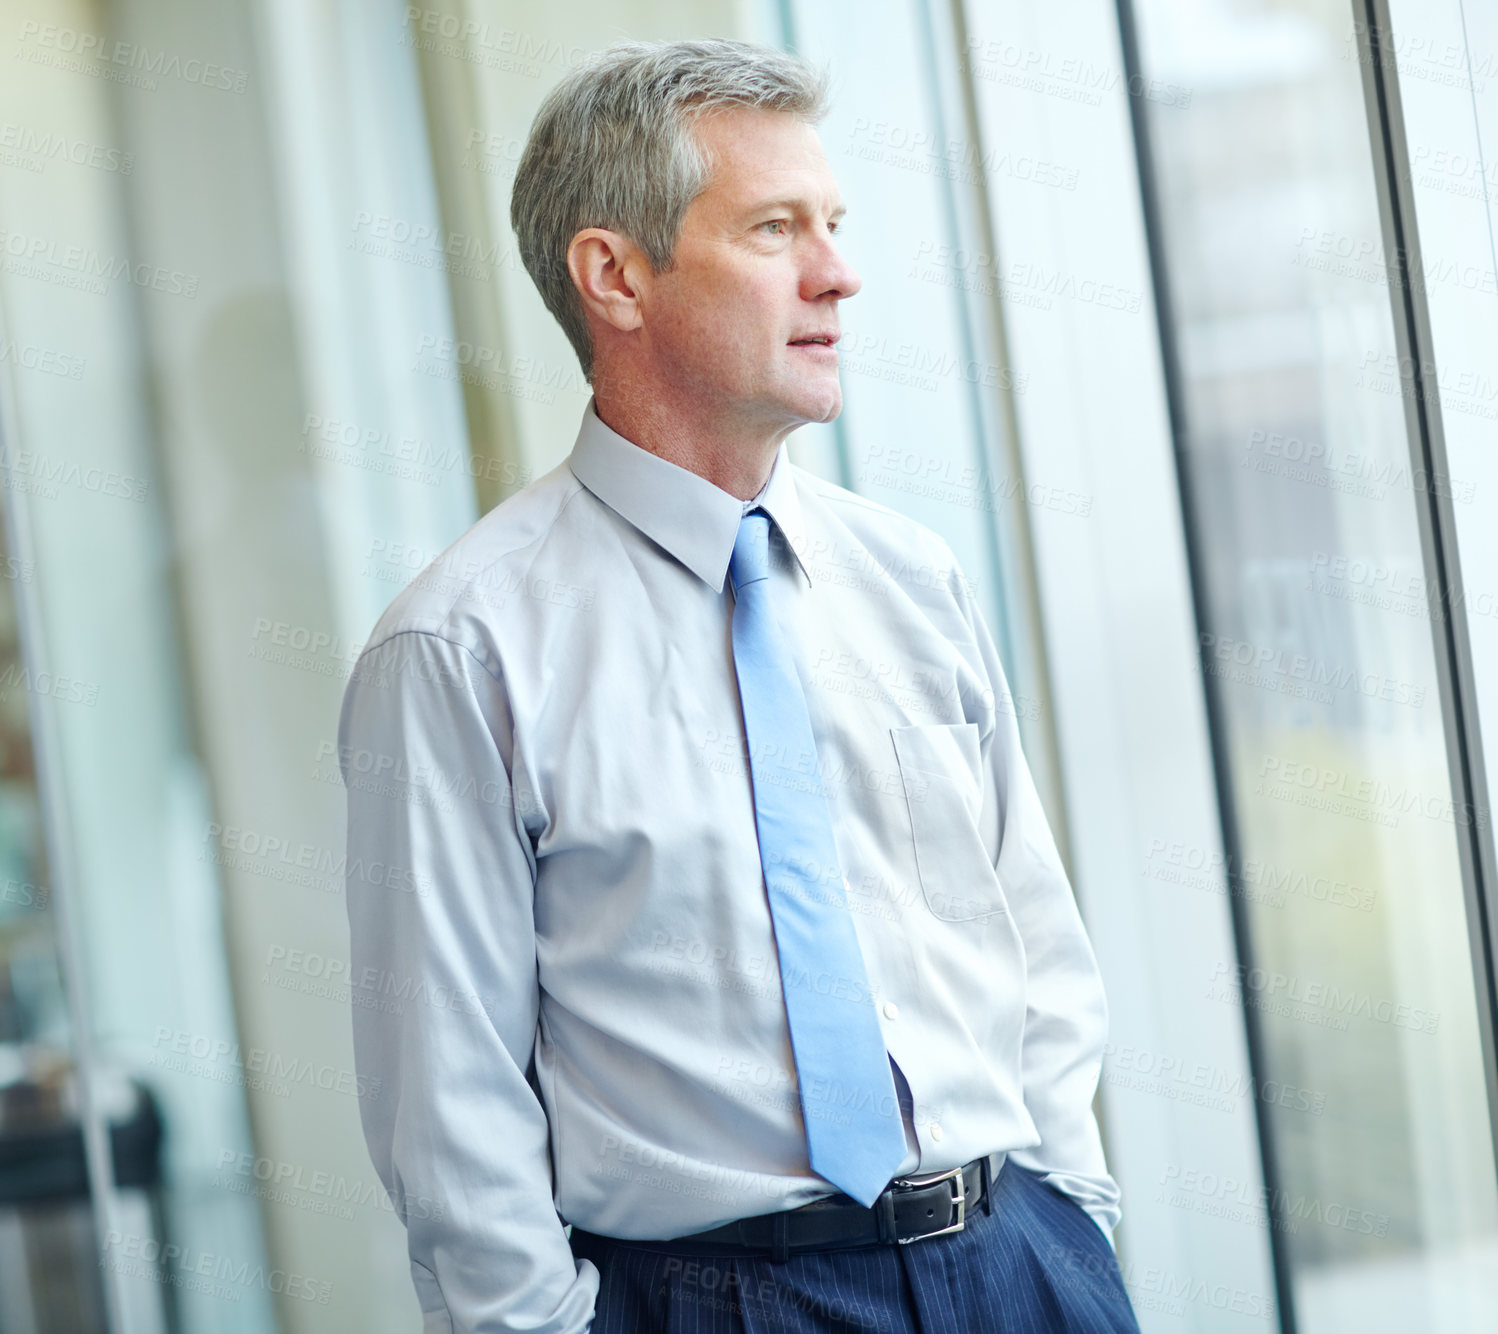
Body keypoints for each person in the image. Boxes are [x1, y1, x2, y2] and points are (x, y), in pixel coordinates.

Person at [339, 36, 1140, 1334]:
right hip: (716, 1299)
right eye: (775, 228)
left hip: (1017, 1266)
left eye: (831, 222)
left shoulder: (908, 576)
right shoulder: (460, 649)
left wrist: (1068, 1219)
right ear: (615, 275)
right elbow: (449, 1105)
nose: (839, 271)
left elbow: (1029, 941)